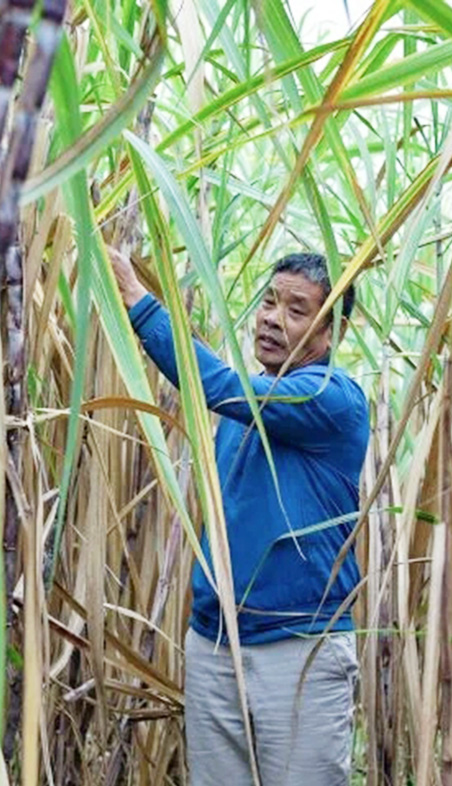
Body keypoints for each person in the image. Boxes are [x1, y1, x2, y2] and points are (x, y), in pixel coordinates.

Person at [110, 249, 368, 786]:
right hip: (215, 643)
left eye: (297, 310)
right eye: (269, 301)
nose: (273, 318)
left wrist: (138, 301)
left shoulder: (332, 399)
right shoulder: (241, 413)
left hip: (299, 650)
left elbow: (223, 389)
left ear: (332, 333)